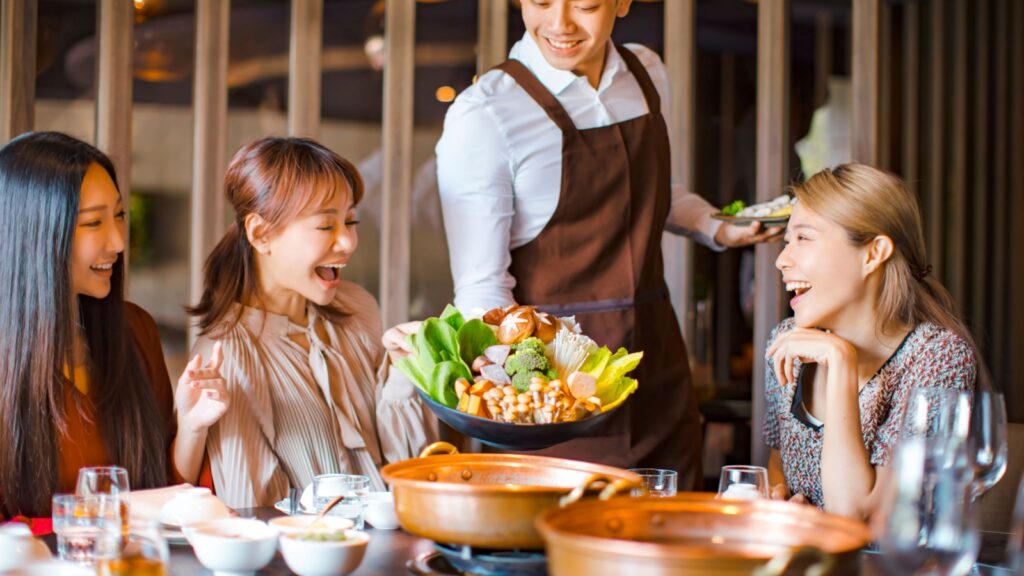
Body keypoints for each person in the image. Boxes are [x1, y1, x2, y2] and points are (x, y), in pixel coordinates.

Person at [432, 0, 777, 485]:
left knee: (665, 544)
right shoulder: (487, 113)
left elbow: (659, 192)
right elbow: (480, 290)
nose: (559, 25)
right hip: (556, 394)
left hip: (657, 367)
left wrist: (715, 226)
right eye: (540, 2)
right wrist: (528, 399)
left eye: (586, 4)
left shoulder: (647, 73)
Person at [188, 137, 437, 509]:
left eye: (350, 221)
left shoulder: (358, 309)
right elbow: (255, 513)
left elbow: (412, 470)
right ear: (261, 234)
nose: (348, 242)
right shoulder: (227, 353)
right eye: (326, 226)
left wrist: (405, 373)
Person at [0, 132, 227, 521]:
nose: (119, 241)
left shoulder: (134, 330)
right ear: (34, 235)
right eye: (93, 223)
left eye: (119, 215)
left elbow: (163, 493)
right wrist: (115, 508)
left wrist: (191, 427)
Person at [765, 163, 977, 519]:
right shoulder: (787, 341)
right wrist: (777, 502)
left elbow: (862, 517)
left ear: (874, 253)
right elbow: (776, 465)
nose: (781, 261)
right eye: (786, 242)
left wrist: (841, 361)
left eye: (803, 238)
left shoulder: (938, 357)